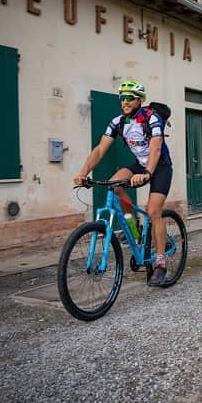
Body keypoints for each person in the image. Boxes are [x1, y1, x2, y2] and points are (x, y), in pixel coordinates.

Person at [74, 79, 173, 287]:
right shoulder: (118, 122)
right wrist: (83, 173)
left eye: (129, 98)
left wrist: (147, 173)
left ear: (139, 100)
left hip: (160, 166)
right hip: (140, 164)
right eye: (122, 97)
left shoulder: (151, 118)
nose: (124, 101)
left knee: (154, 210)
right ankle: (134, 228)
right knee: (114, 185)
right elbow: (100, 149)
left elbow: (155, 147)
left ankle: (161, 262)